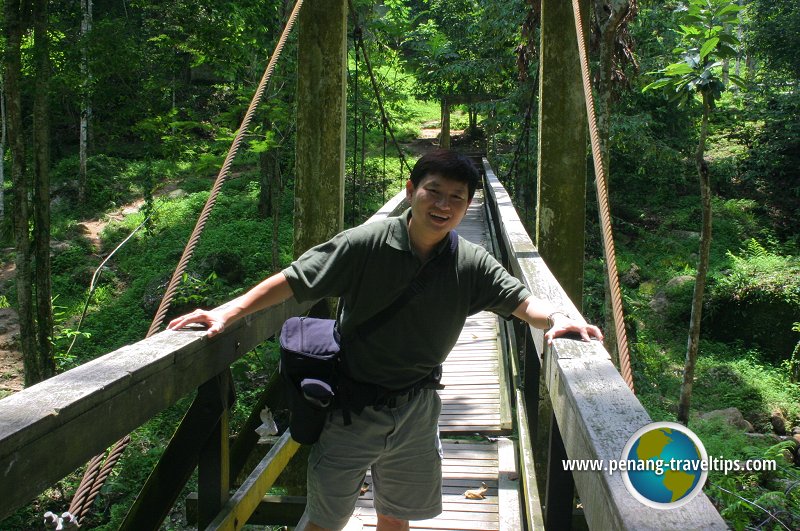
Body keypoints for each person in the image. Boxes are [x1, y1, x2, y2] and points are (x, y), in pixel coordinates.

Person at [168, 149, 602, 531]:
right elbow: (295, 280)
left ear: (469, 206)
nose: (443, 205)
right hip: (351, 408)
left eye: (457, 198)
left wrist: (560, 316)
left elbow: (520, 300)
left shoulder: (470, 262)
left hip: (417, 408)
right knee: (325, 519)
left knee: (396, 517)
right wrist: (228, 310)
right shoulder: (365, 244)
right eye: (434, 191)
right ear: (411, 189)